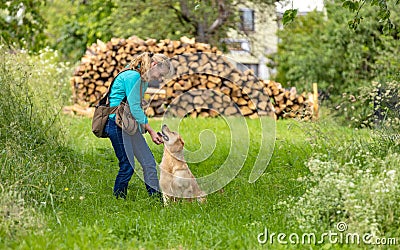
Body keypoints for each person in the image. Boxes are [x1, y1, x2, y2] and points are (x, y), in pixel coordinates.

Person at [104, 52, 174, 199]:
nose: (159, 78)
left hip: (129, 124)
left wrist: (144, 129)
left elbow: (136, 109)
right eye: (160, 74)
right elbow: (135, 107)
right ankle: (119, 201)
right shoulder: (133, 76)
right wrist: (151, 131)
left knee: (148, 162)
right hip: (116, 124)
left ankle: (156, 201)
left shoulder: (143, 80)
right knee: (128, 166)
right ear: (154, 65)